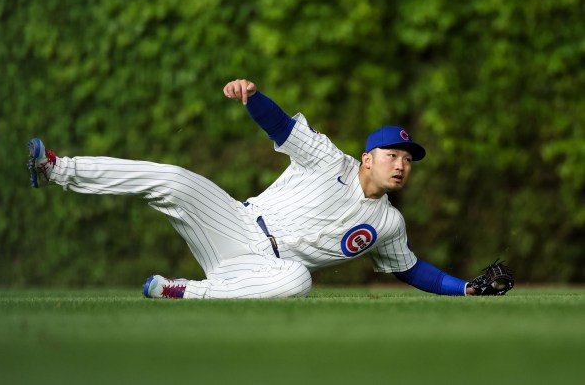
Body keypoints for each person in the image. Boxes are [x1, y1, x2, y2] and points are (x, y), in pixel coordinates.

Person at [28, 79, 476, 299]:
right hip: (235, 224)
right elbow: (281, 127)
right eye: (392, 155)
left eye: (407, 160)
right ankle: (56, 169)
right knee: (174, 178)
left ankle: (181, 291)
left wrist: (466, 289)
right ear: (367, 158)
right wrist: (252, 96)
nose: (400, 165)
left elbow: (411, 269)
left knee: (299, 281)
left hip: (265, 273)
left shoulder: (389, 223)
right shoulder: (327, 158)